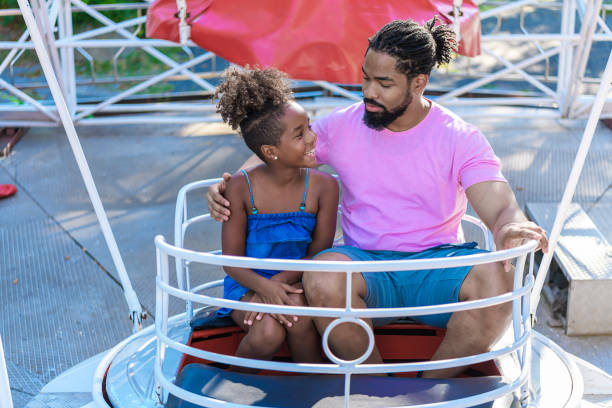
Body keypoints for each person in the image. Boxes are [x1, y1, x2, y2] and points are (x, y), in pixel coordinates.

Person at [207, 18, 548, 377]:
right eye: (366, 77)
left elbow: (498, 200)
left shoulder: (459, 137)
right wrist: (228, 183)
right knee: (322, 276)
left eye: (384, 83)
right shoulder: (342, 125)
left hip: (437, 265)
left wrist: (510, 225)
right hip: (364, 266)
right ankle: (377, 389)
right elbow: (273, 153)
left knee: (499, 278)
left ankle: (427, 389)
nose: (369, 91)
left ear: (419, 84)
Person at [214, 66, 339, 364]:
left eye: (309, 127)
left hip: (297, 278)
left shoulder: (325, 187)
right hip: (246, 283)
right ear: (270, 151)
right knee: (268, 333)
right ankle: (233, 386)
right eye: (300, 134)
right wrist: (263, 288)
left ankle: (308, 388)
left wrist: (278, 287)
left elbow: (319, 254)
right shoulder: (241, 188)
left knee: (299, 317)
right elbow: (231, 262)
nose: (311, 137)